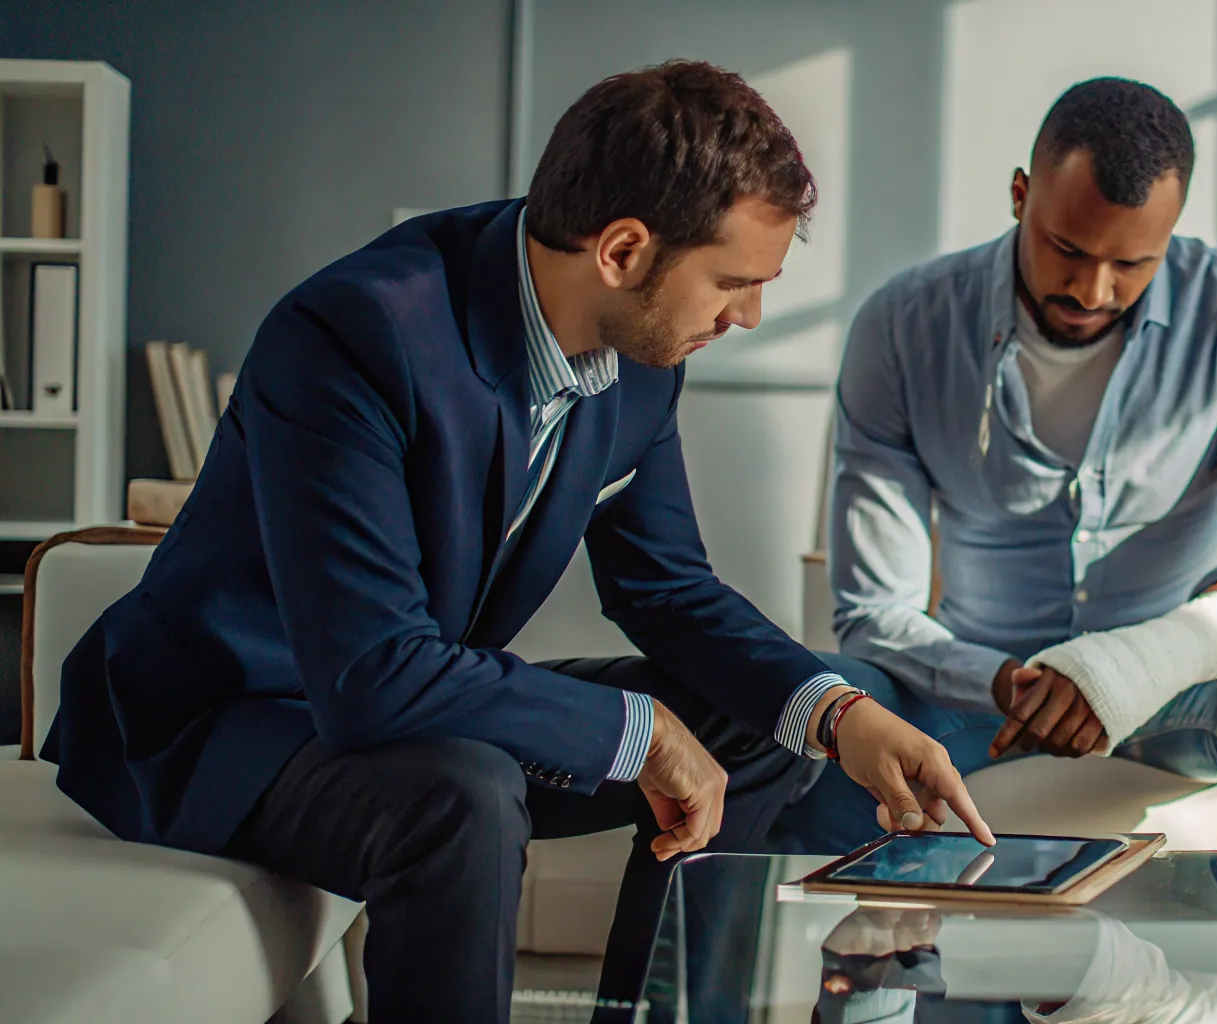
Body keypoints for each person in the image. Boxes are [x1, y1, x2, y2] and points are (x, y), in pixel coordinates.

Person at [42, 60, 990, 1023]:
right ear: (622, 250)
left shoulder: (641, 353)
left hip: (392, 704)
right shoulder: (354, 335)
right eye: (734, 282)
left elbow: (666, 588)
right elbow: (373, 675)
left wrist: (842, 715)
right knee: (464, 792)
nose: (747, 316)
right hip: (215, 725)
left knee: (750, 720)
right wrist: (642, 734)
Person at [780, 77, 1217, 855]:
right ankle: (814, 968)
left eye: (1133, 264)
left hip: (1177, 687)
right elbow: (873, 609)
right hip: (982, 689)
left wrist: (1132, 667)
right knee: (819, 695)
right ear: (1021, 195)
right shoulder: (903, 327)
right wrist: (1010, 681)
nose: (1092, 289)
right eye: (1069, 249)